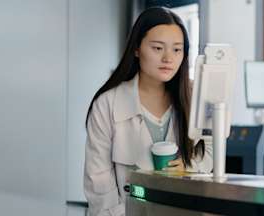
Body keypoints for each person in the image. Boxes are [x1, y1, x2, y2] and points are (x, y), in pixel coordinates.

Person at [84, 7, 213, 216]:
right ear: (137, 48)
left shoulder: (195, 98)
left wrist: (188, 168)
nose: (168, 58)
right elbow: (98, 185)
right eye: (157, 48)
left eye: (177, 49)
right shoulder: (107, 103)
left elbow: (209, 157)